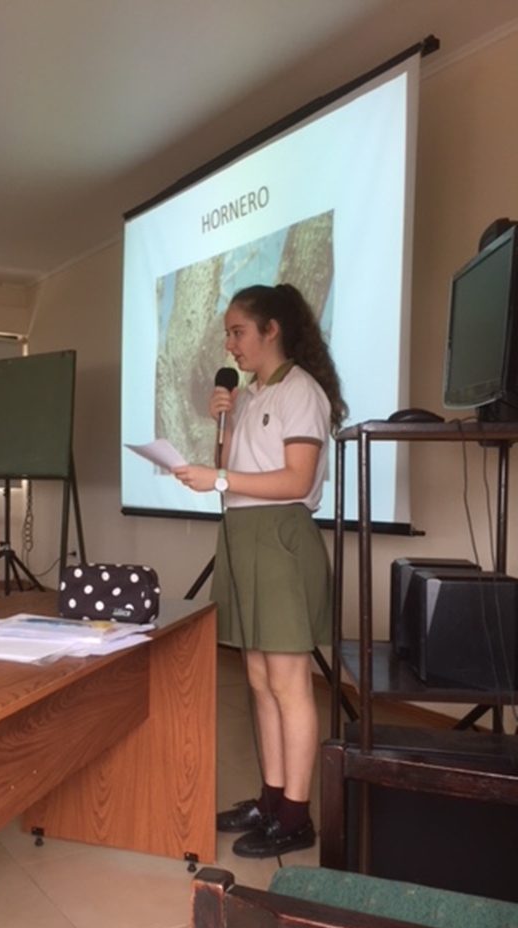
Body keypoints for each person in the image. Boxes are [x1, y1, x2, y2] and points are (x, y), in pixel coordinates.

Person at [172, 283, 347, 859]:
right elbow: (229, 470)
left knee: (289, 682)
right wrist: (221, 425)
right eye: (227, 333)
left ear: (272, 330)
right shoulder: (247, 395)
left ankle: (296, 816)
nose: (229, 344)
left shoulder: (302, 391)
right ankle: (271, 800)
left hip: (279, 538)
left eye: (237, 332)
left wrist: (219, 477)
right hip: (242, 534)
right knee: (257, 679)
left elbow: (297, 479)